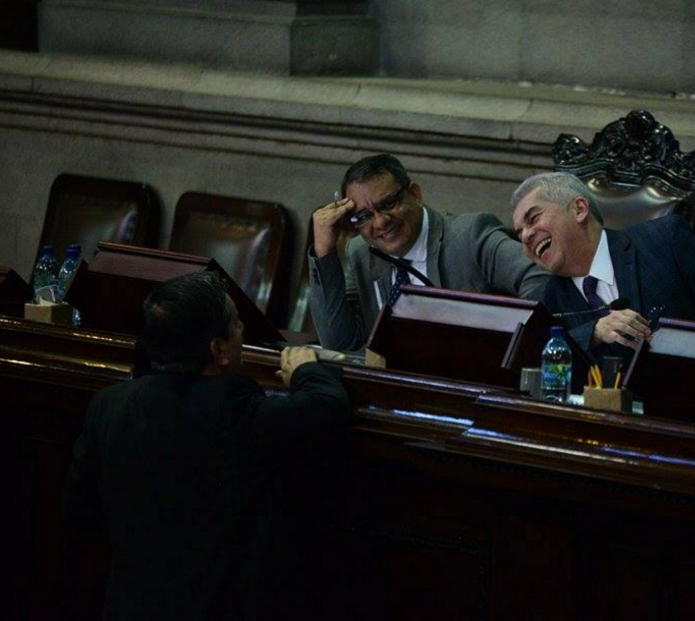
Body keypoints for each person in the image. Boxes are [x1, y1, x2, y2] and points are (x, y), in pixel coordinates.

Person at [62, 271, 352, 620]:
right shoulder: (232, 409)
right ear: (219, 351)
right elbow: (327, 409)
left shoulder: (107, 405)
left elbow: (79, 512)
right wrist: (306, 368)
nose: (243, 330)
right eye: (237, 324)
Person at [511, 172, 695, 360]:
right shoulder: (551, 299)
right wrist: (593, 332)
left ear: (579, 209)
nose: (525, 236)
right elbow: (534, 364)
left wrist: (676, 345)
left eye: (533, 218)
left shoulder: (665, 241)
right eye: (519, 232)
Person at [308, 154, 550, 351]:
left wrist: (507, 346)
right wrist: (324, 253)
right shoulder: (362, 252)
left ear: (415, 194)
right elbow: (340, 343)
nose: (380, 222)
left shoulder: (470, 236)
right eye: (364, 216)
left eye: (388, 203)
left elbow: (538, 277)